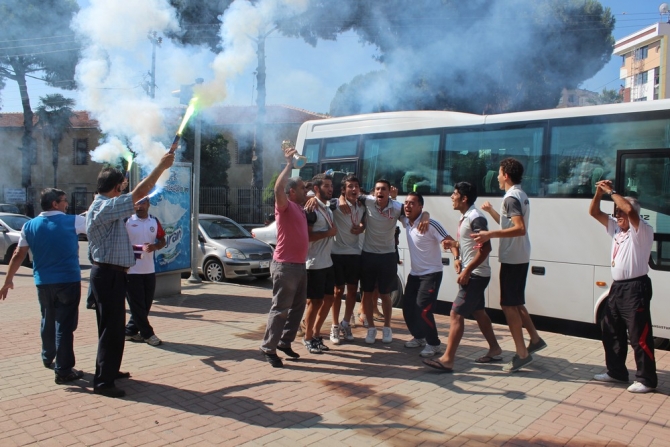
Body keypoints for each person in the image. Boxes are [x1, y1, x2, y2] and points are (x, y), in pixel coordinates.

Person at [87, 152, 174, 398]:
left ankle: (109, 371)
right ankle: (104, 382)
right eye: (120, 187)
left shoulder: (103, 205)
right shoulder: (104, 206)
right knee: (111, 330)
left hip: (110, 275)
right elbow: (140, 191)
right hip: (108, 276)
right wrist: (160, 166)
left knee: (111, 328)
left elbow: (131, 192)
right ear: (115, 187)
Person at [1, 188, 86, 384]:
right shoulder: (73, 220)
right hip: (67, 281)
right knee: (64, 326)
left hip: (43, 282)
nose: (67, 204)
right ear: (55, 203)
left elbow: (18, 255)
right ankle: (64, 370)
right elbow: (97, 224)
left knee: (48, 319)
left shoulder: (29, 226)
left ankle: (48, 356)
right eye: (64, 200)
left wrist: (8, 281)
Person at [474, 158, 546, 372]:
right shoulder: (519, 195)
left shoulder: (510, 197)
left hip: (512, 258)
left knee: (508, 306)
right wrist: (492, 213)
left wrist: (489, 234)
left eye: (498, 173)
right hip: (520, 255)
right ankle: (534, 339)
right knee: (516, 303)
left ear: (505, 175)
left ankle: (522, 354)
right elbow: (509, 224)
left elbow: (519, 228)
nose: (496, 177)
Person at [422, 182, 503, 372]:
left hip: (475, 275)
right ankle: (495, 348)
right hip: (473, 273)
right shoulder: (466, 217)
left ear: (464, 198)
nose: (452, 196)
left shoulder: (476, 218)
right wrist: (456, 252)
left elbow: (486, 249)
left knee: (456, 314)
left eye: (455, 193)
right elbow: (467, 244)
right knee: (478, 312)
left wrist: (467, 270)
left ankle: (448, 359)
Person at [589, 180, 656, 393]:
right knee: (611, 329)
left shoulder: (642, 230)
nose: (617, 215)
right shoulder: (617, 229)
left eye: (620, 212)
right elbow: (594, 212)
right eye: (615, 212)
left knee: (638, 334)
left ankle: (646, 379)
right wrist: (599, 193)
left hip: (635, 288)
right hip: (617, 287)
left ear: (632, 214)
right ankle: (616, 372)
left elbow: (628, 208)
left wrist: (612, 191)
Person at [259, 145, 309, 368]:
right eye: (302, 188)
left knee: (297, 309)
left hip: (299, 266)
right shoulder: (285, 206)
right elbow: (278, 189)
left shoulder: (300, 208)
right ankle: (268, 348)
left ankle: (285, 343)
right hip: (285, 266)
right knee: (280, 310)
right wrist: (289, 164)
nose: (306, 191)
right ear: (292, 193)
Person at [400, 192, 454, 358]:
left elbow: (449, 240)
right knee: (408, 307)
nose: (408, 206)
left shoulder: (430, 224)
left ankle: (434, 344)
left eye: (412, 203)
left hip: (431, 274)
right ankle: (419, 337)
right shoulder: (406, 221)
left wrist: (457, 258)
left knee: (423, 309)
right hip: (415, 274)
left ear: (420, 206)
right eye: (406, 203)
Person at [302, 173, 337, 354]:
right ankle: (307, 338)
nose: (330, 189)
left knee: (329, 300)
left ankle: (316, 334)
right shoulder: (311, 209)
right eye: (326, 186)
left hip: (327, 262)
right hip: (314, 263)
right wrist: (328, 233)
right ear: (316, 188)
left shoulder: (328, 207)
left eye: (331, 185)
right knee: (314, 303)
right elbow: (307, 237)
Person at [124, 197, 166, 347]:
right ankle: (148, 334)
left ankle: (129, 331)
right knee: (137, 305)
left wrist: (155, 247)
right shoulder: (127, 221)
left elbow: (162, 240)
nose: (139, 206)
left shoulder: (154, 221)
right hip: (131, 270)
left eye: (142, 203)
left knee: (146, 304)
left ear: (148, 204)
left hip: (149, 270)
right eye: (136, 203)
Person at [329, 175, 365, 344]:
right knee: (337, 292)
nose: (354, 189)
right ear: (343, 189)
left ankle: (345, 323)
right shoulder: (335, 203)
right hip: (337, 253)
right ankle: (334, 325)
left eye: (356, 186)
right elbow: (314, 198)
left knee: (352, 291)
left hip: (355, 254)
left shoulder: (363, 203)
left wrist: (362, 226)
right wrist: (341, 198)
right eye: (350, 186)